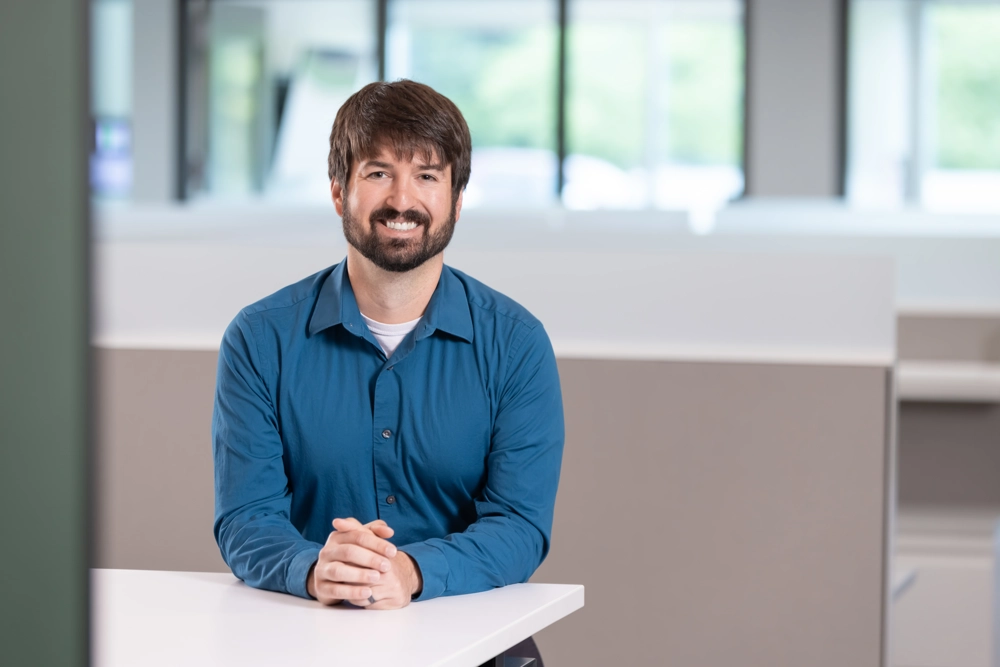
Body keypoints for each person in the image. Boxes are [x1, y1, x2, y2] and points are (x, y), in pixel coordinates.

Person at [212, 80, 564, 659]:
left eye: (427, 175)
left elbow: (520, 526)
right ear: (337, 191)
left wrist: (409, 570)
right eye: (378, 173)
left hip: (471, 644)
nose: (403, 199)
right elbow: (246, 519)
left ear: (456, 197)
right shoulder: (259, 339)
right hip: (309, 638)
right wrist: (315, 568)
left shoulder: (516, 344)